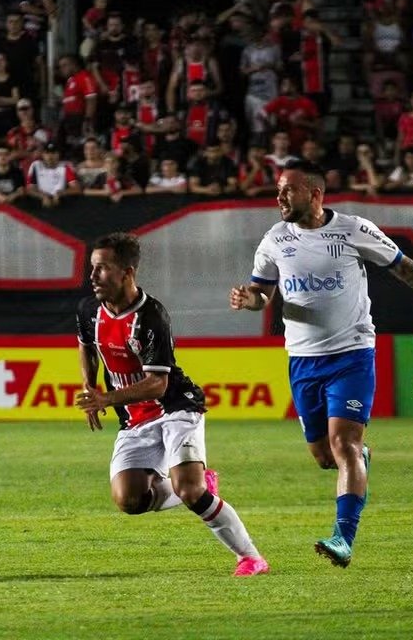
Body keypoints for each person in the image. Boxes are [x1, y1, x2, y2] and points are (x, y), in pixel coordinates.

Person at [228, 160, 413, 568]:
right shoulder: (274, 240)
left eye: (289, 189)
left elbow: (403, 268)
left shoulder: (353, 229)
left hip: (352, 354)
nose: (279, 197)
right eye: (279, 189)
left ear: (316, 194)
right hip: (302, 360)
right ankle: (358, 461)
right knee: (323, 455)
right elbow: (262, 292)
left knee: (344, 444)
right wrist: (251, 301)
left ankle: (343, 537)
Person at [76, 232, 270, 578]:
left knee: (190, 491)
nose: (93, 277)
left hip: (175, 408)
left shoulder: (151, 316)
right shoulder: (89, 310)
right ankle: (198, 482)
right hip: (134, 420)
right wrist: (90, 386)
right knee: (129, 500)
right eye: (92, 268)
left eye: (102, 269)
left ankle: (251, 558)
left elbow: (157, 383)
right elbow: (87, 346)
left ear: (127, 272)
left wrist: (105, 397)